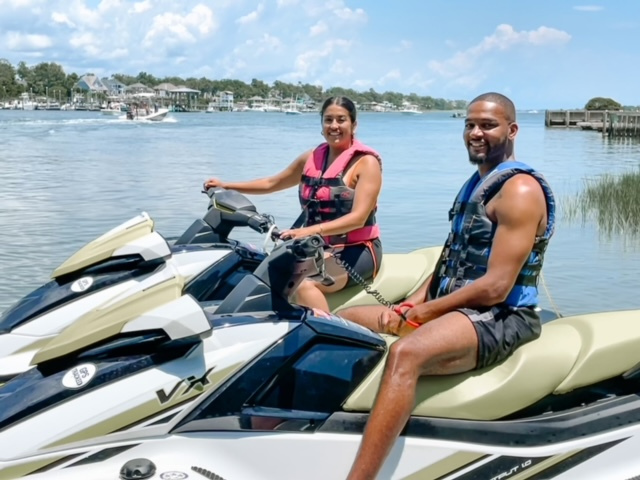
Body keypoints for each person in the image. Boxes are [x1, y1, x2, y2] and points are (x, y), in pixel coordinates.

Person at [338, 92, 556, 480]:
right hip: (456, 308)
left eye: (487, 125)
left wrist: (427, 311)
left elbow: (496, 287)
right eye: (470, 124)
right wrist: (413, 302)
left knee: (405, 354)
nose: (475, 133)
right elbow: (452, 257)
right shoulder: (478, 184)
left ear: (512, 130)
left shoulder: (520, 190)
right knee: (342, 319)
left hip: (502, 315)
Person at [203, 96, 383, 313]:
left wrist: (306, 231)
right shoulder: (311, 158)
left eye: (341, 120)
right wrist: (226, 185)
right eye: (328, 120)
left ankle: (325, 332)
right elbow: (272, 183)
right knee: (262, 270)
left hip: (357, 251)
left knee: (304, 283)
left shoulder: (366, 163)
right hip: (316, 247)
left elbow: (358, 218)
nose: (334, 126)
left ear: (354, 124)